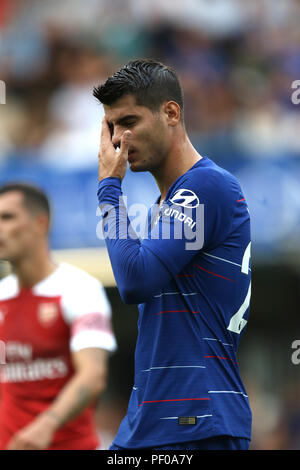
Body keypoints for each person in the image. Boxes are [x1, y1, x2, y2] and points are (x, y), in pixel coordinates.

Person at [94, 59, 252, 450]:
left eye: (129, 121)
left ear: (171, 112)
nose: (119, 139)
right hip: (155, 421)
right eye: (112, 127)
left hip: (195, 421)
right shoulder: (170, 202)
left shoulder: (205, 186)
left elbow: (135, 279)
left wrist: (109, 188)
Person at [0, 183, 117, 450]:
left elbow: (93, 375)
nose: (0, 228)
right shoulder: (1, 295)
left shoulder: (79, 289)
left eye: (7, 217)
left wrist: (46, 425)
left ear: (41, 223)